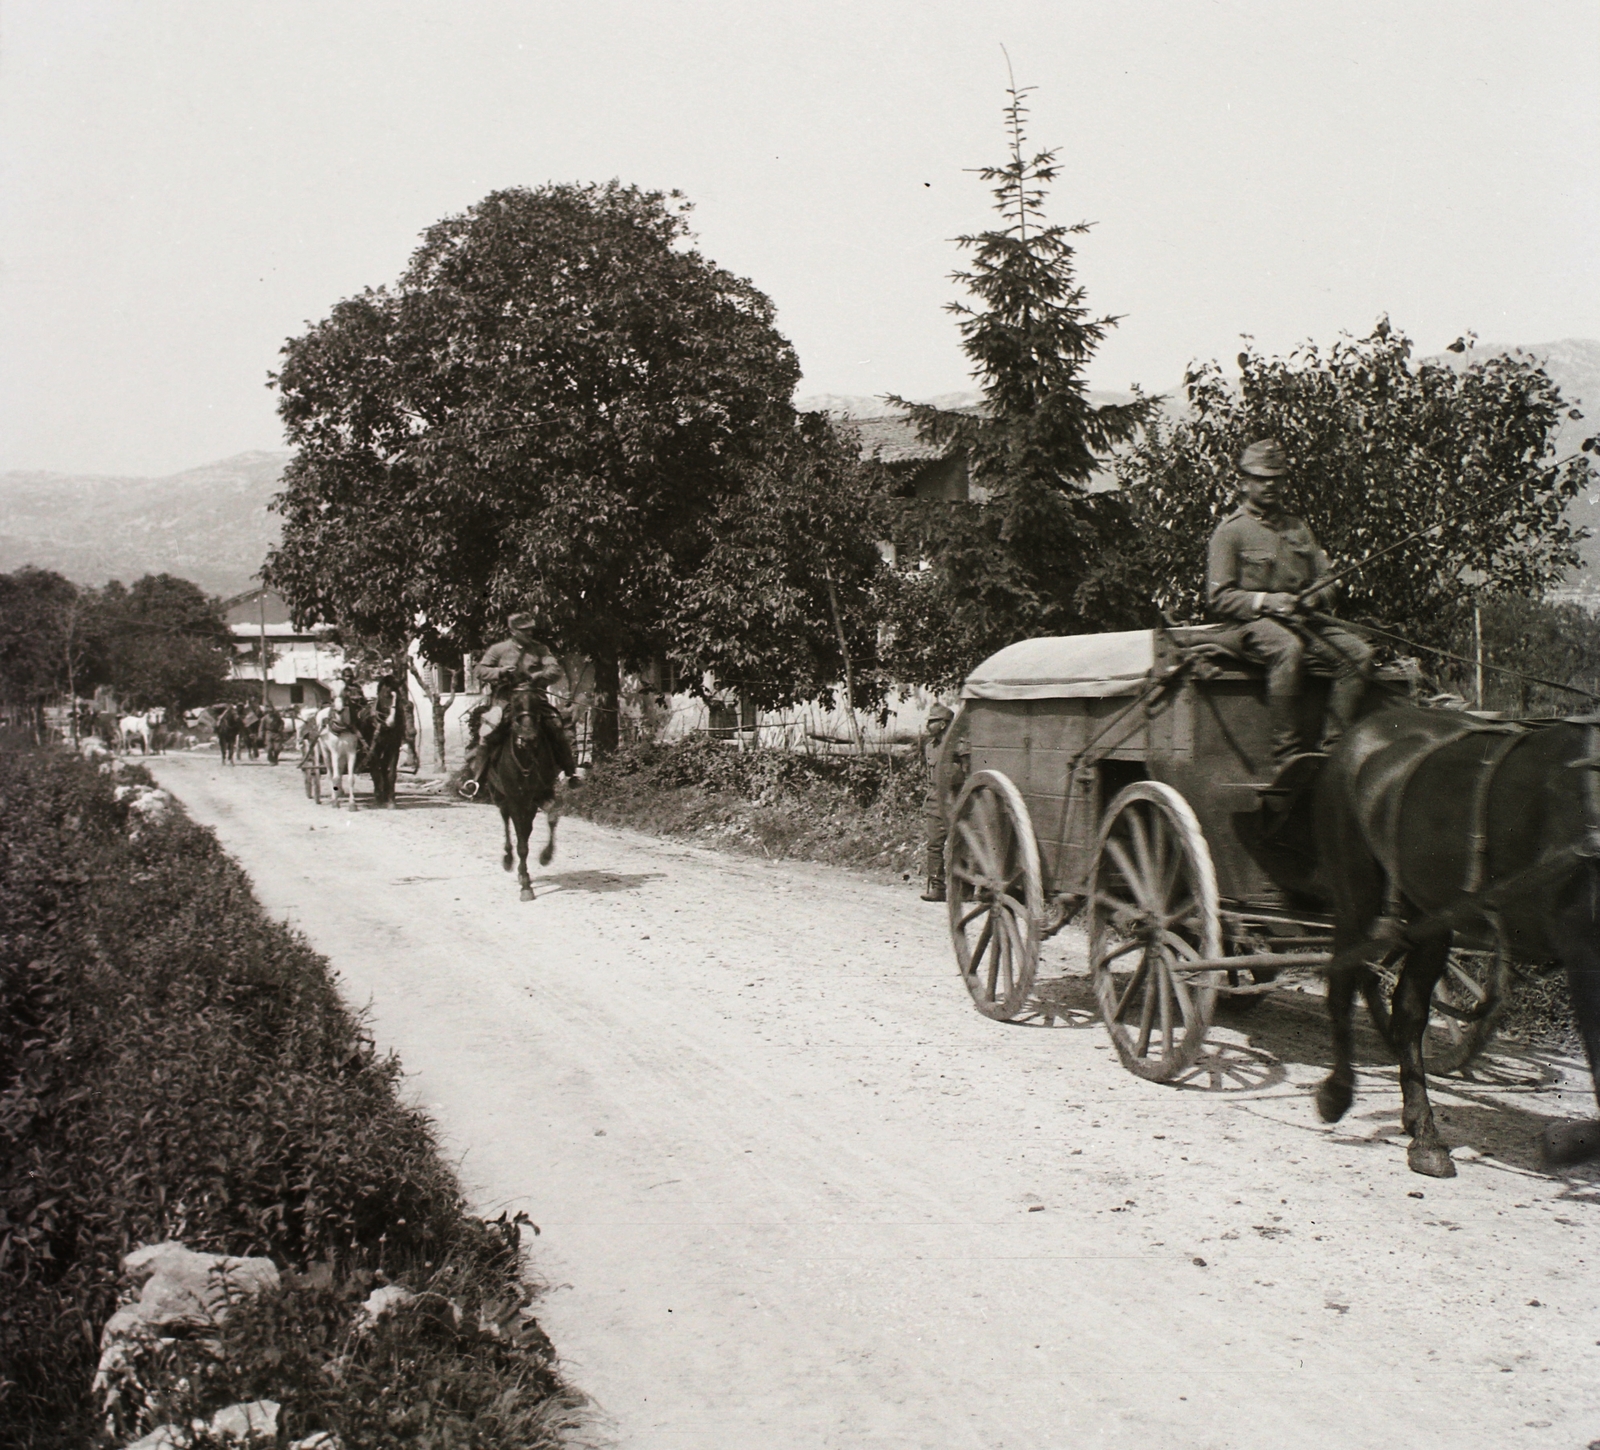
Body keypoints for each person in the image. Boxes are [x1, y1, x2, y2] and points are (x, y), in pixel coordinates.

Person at [1206, 439, 1373, 766]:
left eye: (1276, 477)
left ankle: (1333, 751)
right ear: (1245, 482)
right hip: (1247, 628)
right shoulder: (1231, 532)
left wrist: (1313, 597)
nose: (1269, 484)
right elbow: (1219, 597)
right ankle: (1286, 756)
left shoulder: (1298, 528)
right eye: (1261, 477)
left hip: (1302, 623)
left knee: (1358, 654)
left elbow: (1329, 582)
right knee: (1287, 647)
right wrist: (1268, 602)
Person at [459, 613, 580, 799]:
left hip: (534, 697)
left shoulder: (540, 649)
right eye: (525, 630)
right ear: (513, 631)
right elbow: (480, 670)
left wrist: (539, 675)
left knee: (556, 725)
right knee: (488, 731)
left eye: (531, 629)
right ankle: (476, 780)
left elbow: (555, 669)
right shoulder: (499, 650)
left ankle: (571, 774)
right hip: (505, 699)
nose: (530, 633)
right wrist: (500, 672)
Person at [919, 702, 970, 903]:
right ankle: (938, 888)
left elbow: (969, 772)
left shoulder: (959, 745)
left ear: (943, 724)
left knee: (961, 845)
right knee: (934, 845)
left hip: (956, 801)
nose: (927, 726)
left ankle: (966, 889)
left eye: (932, 722)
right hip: (935, 801)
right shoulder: (929, 747)